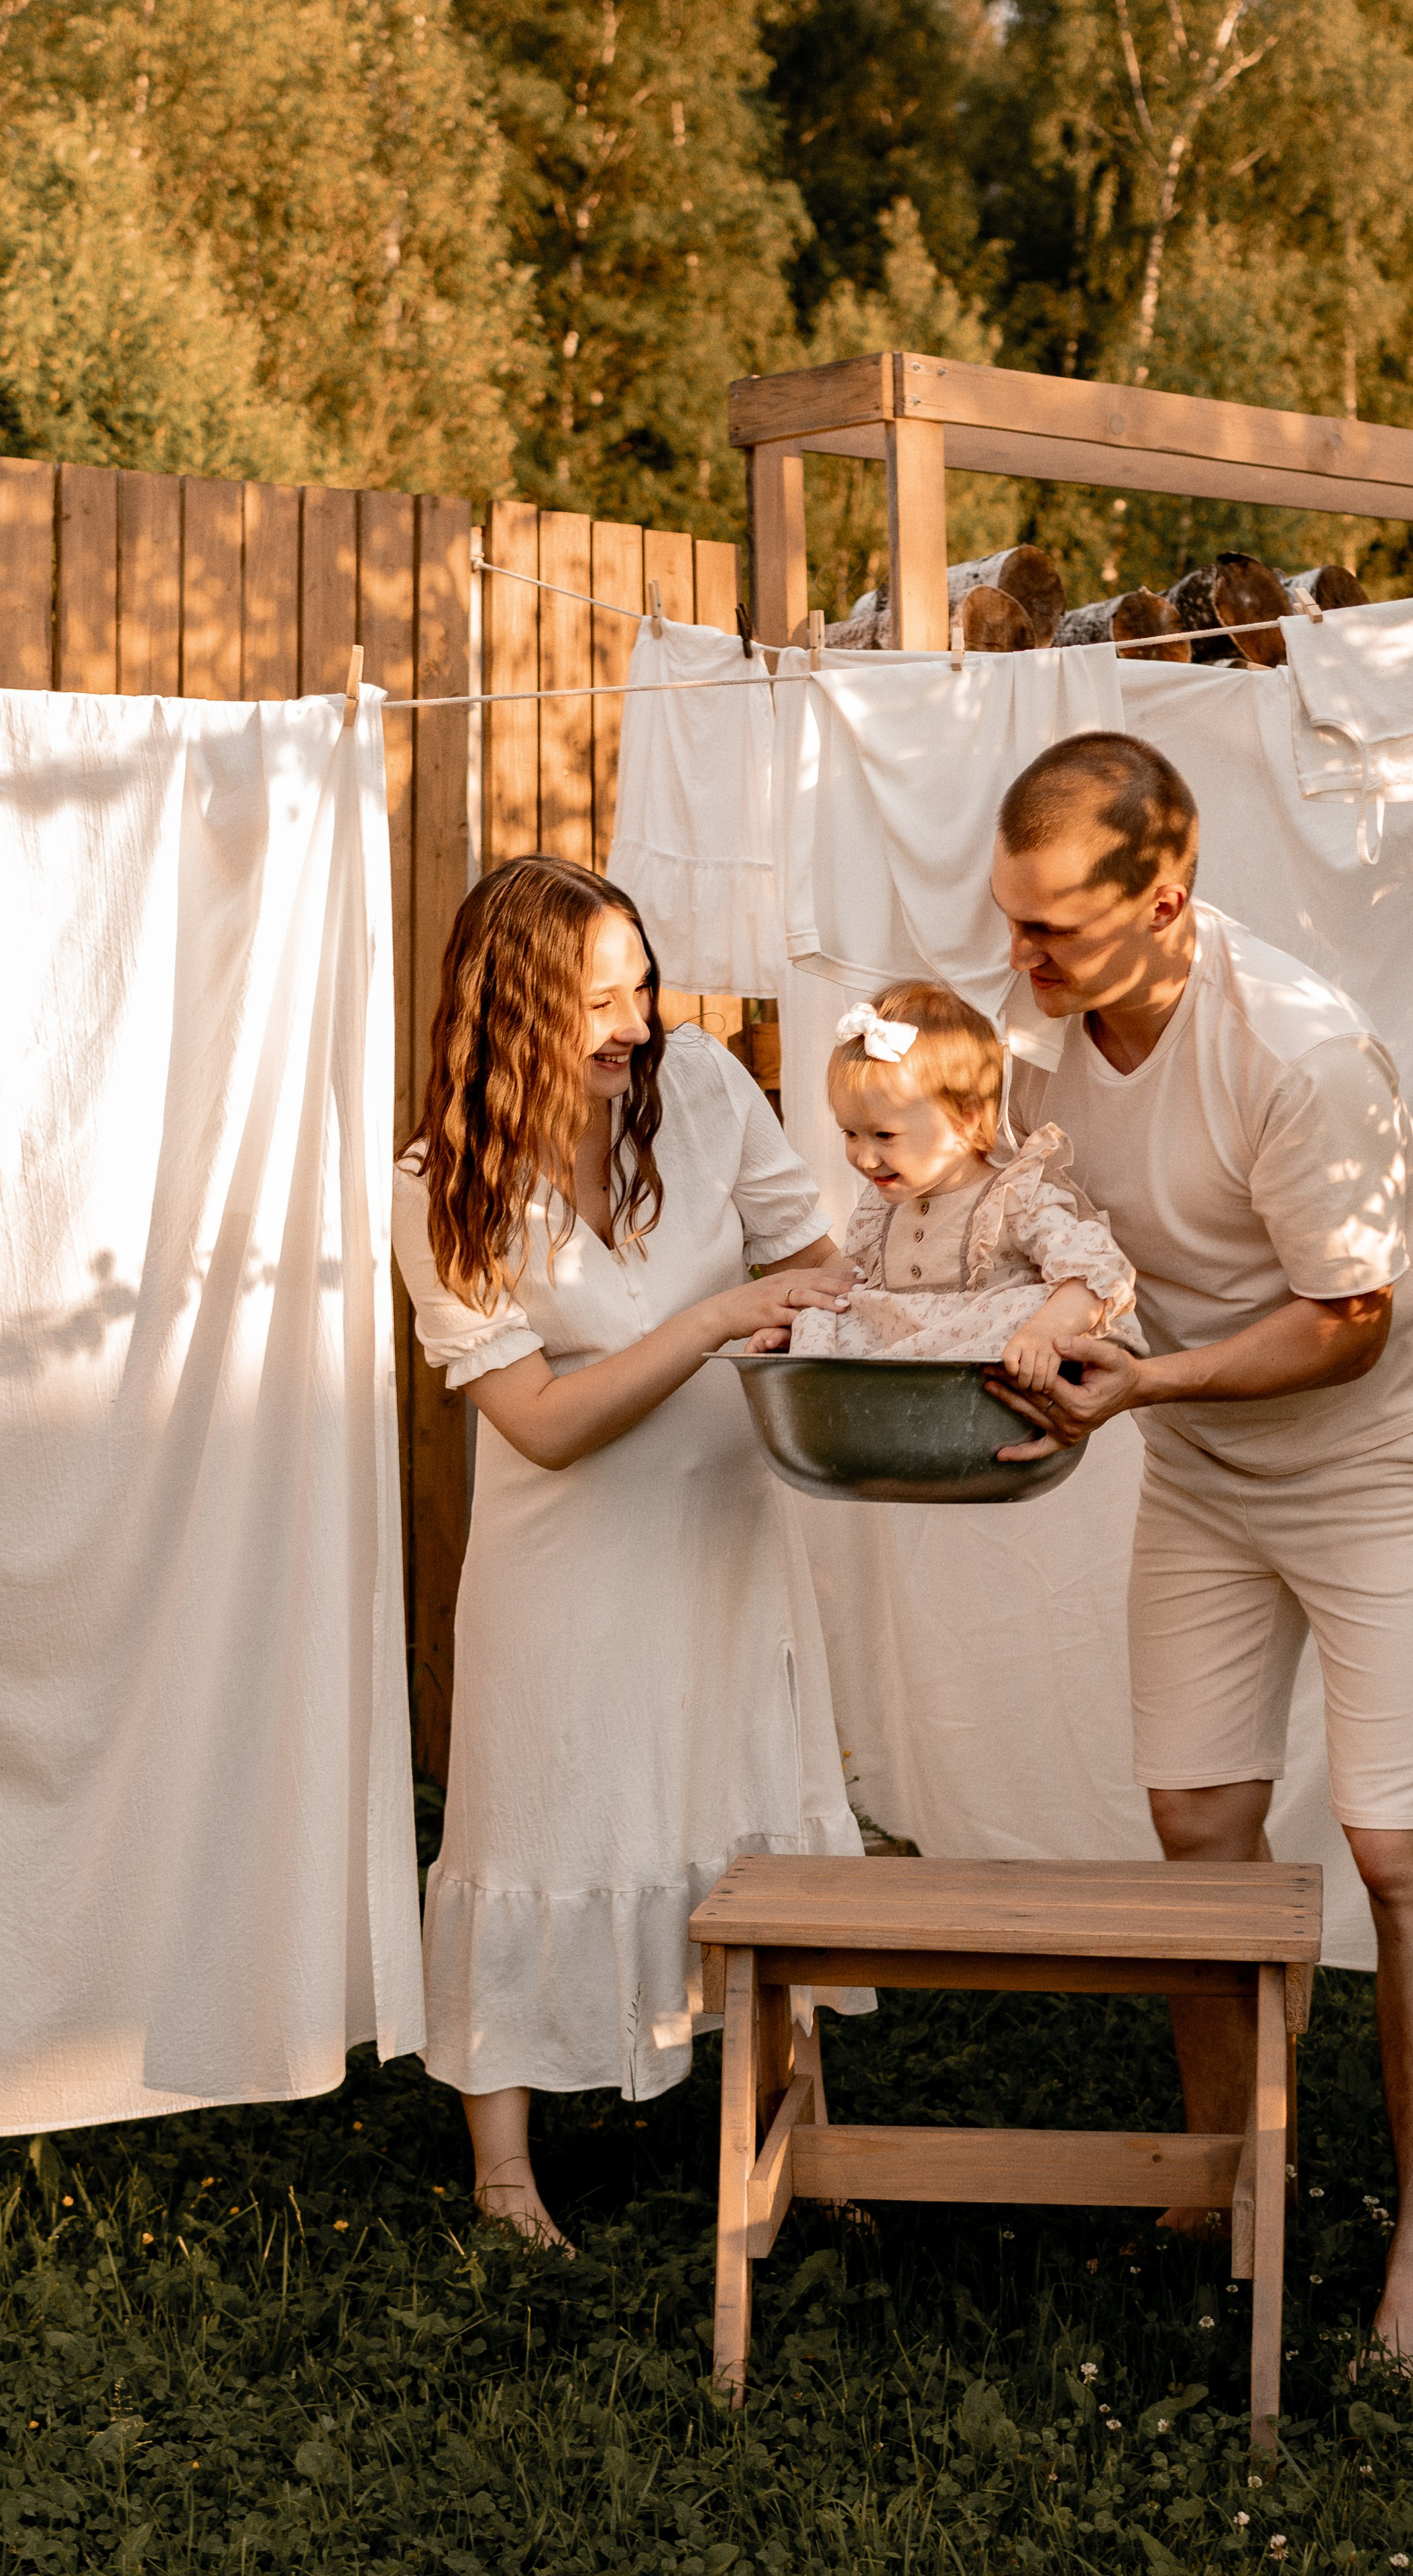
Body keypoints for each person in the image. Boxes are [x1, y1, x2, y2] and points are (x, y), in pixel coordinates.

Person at [987, 731, 1413, 2367]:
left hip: (1371, 1460)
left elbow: (1346, 1323)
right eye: (1009, 917)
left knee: (1396, 1848)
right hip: (1205, 1465)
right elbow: (1026, 1225)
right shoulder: (1031, 1029)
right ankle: (1233, 2179)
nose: (1020, 955)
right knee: (1196, 1823)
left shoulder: (1295, 1049)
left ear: (1164, 901)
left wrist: (1141, 1385)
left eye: (1052, 926)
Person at [391, 857, 866, 2250]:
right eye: (597, 1000)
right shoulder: (440, 1187)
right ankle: (504, 2180)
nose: (635, 1023)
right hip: (564, 1577)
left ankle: (798, 2137)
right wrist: (710, 1324)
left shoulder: (702, 1086)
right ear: (512, 1009)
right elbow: (539, 1423)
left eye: (640, 987)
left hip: (726, 1545)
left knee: (748, 1801)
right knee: (534, 1819)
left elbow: (817, 1264)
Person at [765, 979, 1142, 1387]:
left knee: (1035, 1303)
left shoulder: (1013, 1198)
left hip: (984, 1376)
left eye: (885, 1135)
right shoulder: (882, 1211)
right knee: (823, 1313)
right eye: (851, 1134)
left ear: (966, 1120)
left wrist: (1044, 1332)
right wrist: (811, 1332)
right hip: (899, 1381)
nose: (865, 1158)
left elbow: (1097, 1271)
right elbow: (863, 1298)